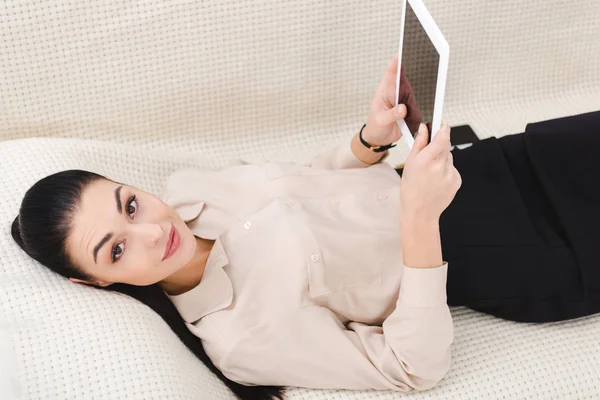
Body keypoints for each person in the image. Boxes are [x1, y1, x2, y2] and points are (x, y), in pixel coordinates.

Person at [10, 51, 600, 400]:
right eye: (115, 251)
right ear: (97, 284)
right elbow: (411, 368)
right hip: (520, 247)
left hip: (481, 164)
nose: (149, 230)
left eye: (129, 205)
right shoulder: (241, 340)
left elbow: (306, 185)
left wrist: (369, 141)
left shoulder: (189, 187)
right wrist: (418, 220)